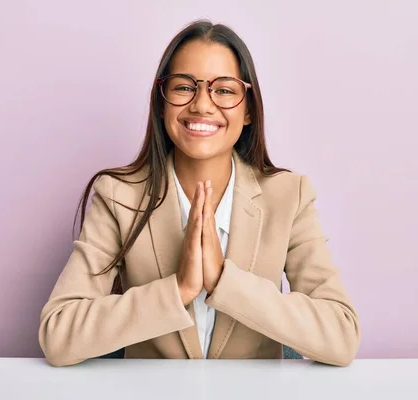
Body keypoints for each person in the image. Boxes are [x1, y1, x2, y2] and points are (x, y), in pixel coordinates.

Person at [38, 19, 360, 367]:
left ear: (249, 109)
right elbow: (58, 335)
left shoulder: (289, 196)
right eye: (184, 87)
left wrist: (225, 281)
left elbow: (341, 337)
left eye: (224, 90)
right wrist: (178, 290)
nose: (202, 105)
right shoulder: (119, 196)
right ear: (162, 103)